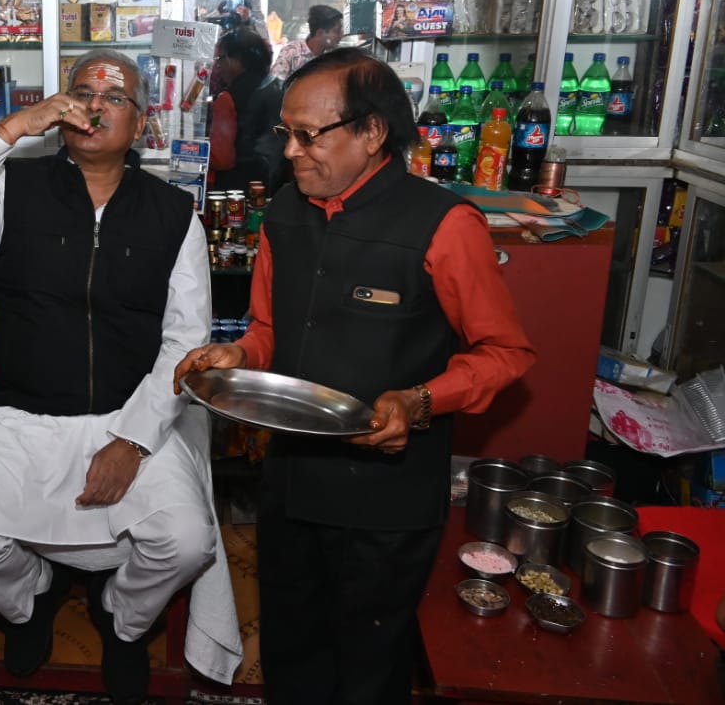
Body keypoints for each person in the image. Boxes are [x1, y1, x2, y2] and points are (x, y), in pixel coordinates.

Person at [175, 48, 535, 704]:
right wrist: (239, 355)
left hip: (387, 498)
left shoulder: (444, 224)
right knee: (292, 650)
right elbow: (268, 330)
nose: (290, 151)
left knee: (370, 664)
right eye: (286, 132)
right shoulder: (285, 213)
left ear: (371, 132)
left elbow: (505, 352)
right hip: (292, 480)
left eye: (309, 134)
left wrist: (420, 400)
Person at [0, 50, 216, 705]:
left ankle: (123, 618)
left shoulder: (173, 214)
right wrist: (14, 127)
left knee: (188, 542)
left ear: (142, 124)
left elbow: (186, 342)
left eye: (115, 96)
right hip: (23, 412)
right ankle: (32, 597)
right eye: (83, 91)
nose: (96, 104)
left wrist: (133, 439)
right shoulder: (13, 190)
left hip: (131, 411)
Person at [208, 28, 284, 193]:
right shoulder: (281, 88)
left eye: (220, 58)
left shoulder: (227, 98)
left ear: (235, 59)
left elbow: (221, 159)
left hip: (239, 190)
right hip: (277, 185)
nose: (218, 65)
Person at [270, 3, 344, 82]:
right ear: (320, 33)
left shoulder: (335, 56)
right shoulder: (291, 52)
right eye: (337, 31)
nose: (341, 35)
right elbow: (277, 84)